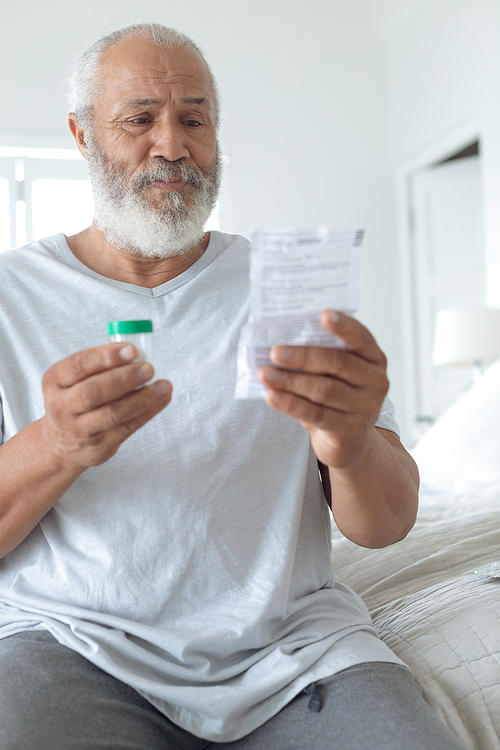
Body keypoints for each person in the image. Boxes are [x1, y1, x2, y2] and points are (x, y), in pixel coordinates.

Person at [0, 23, 466, 750]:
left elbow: (386, 526)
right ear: (82, 136)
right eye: (139, 120)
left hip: (295, 654)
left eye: (194, 118)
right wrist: (55, 445)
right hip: (75, 647)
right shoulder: (10, 298)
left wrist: (347, 445)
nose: (172, 146)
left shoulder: (287, 288)